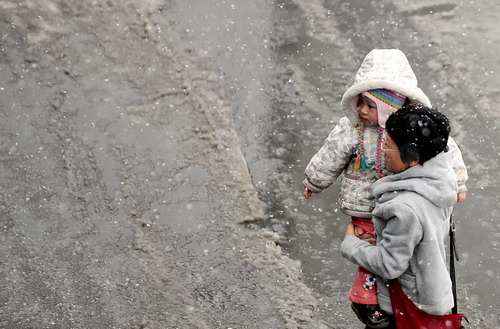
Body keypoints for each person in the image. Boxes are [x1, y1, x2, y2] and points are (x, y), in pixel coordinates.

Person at [302, 49, 468, 328]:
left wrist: (459, 182)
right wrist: (314, 181)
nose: (362, 111)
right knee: (371, 256)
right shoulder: (353, 130)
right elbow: (330, 156)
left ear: (390, 107)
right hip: (365, 207)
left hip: (401, 206)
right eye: (360, 103)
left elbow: (447, 151)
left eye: (370, 105)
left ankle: (398, 302)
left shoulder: (410, 130)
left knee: (398, 256)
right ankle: (369, 301)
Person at [340, 104, 459, 328]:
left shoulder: (405, 208)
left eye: (387, 145)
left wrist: (350, 243)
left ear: (412, 158)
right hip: (433, 291)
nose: (382, 150)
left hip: (407, 305)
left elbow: (389, 265)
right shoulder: (440, 182)